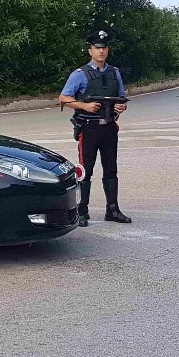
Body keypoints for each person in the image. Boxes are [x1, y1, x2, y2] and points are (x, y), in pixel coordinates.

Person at [58, 29, 132, 227]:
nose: (101, 51)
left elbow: (122, 97)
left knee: (111, 170)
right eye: (97, 48)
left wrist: (121, 107)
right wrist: (84, 106)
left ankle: (113, 209)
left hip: (108, 127)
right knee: (86, 170)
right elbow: (64, 98)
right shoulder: (80, 74)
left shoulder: (115, 72)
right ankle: (82, 211)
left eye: (104, 47)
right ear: (90, 50)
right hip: (89, 128)